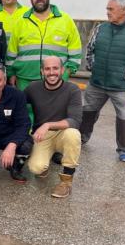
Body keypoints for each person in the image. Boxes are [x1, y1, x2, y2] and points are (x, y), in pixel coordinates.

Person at [79, 0, 125, 162]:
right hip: (97, 83)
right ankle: (80, 138)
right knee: (87, 112)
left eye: (111, 9)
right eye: (107, 9)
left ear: (124, 11)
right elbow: (90, 50)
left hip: (122, 87)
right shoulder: (100, 28)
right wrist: (93, 67)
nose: (107, 12)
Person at [25, 57, 83, 198]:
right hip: (43, 136)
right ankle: (45, 162)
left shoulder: (72, 90)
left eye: (55, 68)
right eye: (47, 69)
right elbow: (16, 102)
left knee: (73, 134)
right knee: (36, 168)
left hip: (63, 133)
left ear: (62, 70)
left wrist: (48, 124)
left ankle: (66, 182)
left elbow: (75, 120)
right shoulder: (33, 88)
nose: (52, 72)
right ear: (42, 71)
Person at [6, 0, 82, 90]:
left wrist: (67, 72)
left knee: (56, 107)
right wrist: (11, 73)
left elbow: (76, 50)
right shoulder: (21, 21)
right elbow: (11, 52)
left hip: (56, 80)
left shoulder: (65, 20)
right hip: (25, 80)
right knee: (26, 107)